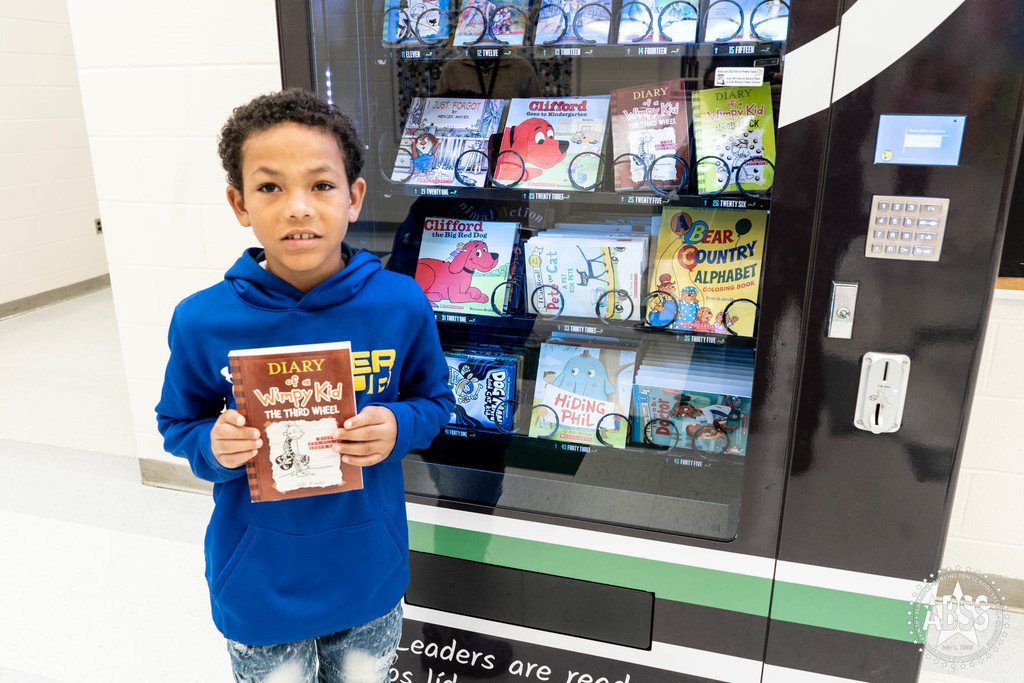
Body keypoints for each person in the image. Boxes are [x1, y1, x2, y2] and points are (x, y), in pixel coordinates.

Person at [155, 89, 454, 682]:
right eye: (270, 187)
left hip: (368, 572)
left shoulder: (399, 302)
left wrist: (399, 425)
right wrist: (212, 445)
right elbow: (177, 423)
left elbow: (435, 401)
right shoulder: (202, 319)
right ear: (239, 203)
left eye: (321, 185)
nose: (298, 208)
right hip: (259, 582)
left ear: (354, 198)